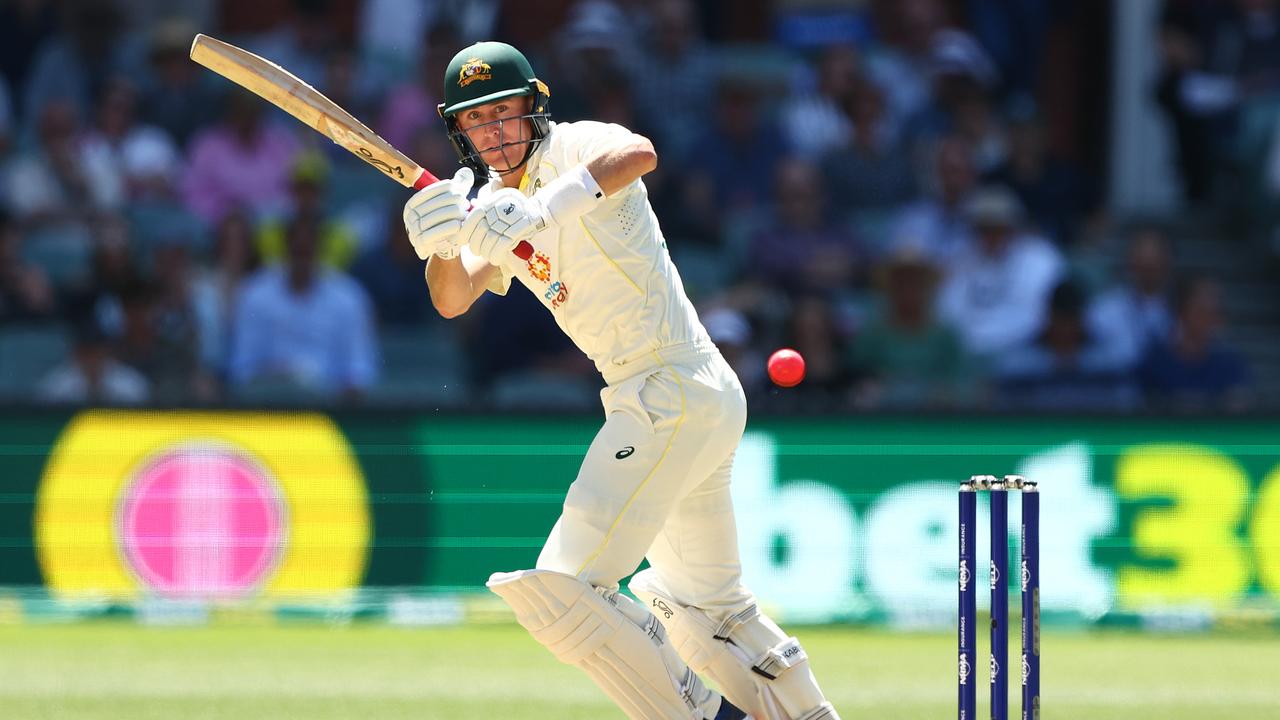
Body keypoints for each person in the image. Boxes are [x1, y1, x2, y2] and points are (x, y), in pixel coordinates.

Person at [401, 41, 840, 720]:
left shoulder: (576, 147)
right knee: (705, 610)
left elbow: (639, 154)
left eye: (503, 113)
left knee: (564, 589)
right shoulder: (490, 205)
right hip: (682, 398)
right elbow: (454, 296)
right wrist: (437, 247)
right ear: (459, 132)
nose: (491, 131)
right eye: (474, 121)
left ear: (534, 108)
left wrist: (541, 210)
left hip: (669, 389)